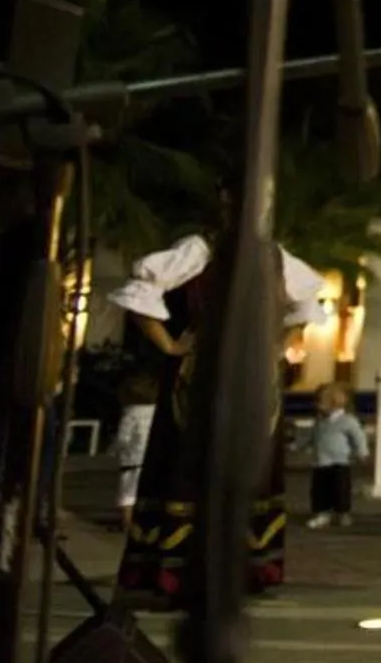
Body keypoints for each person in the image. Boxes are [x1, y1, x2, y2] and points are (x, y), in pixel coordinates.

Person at [109, 229, 327, 604]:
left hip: (255, 376)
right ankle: (185, 571)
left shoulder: (272, 255)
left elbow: (305, 303)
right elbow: (141, 293)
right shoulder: (200, 249)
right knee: (195, 465)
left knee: (246, 466)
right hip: (202, 376)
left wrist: (276, 345)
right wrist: (172, 345)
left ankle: (242, 569)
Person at [306, 381, 368, 530]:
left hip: (340, 461)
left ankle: (343, 512)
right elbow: (311, 436)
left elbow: (359, 437)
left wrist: (362, 452)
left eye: (320, 402)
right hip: (321, 461)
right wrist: (297, 444)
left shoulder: (348, 421)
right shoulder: (320, 421)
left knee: (341, 489)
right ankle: (322, 512)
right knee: (319, 489)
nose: (316, 405)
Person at [112, 370, 157, 532]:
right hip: (150, 458)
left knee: (127, 495)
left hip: (131, 460)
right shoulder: (156, 411)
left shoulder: (131, 413)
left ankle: (127, 524)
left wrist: (114, 450)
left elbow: (123, 437)